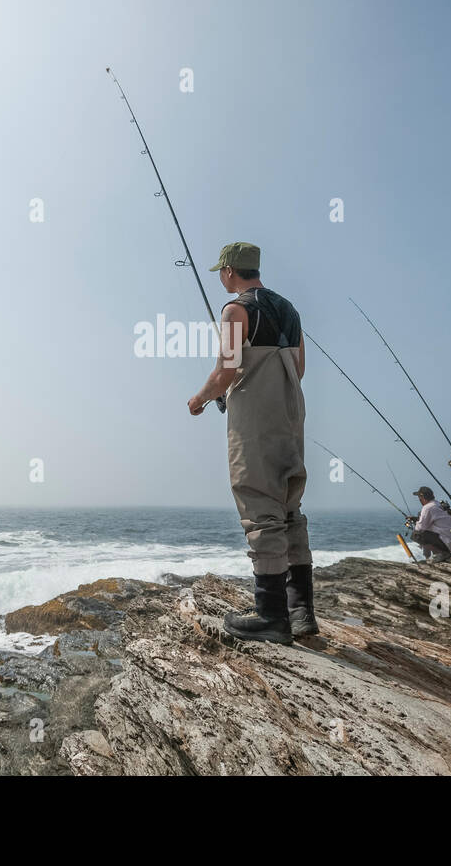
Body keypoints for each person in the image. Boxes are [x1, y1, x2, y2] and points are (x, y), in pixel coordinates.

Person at [188, 242, 312, 643]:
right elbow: (300, 368)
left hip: (255, 421)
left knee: (259, 505)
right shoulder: (290, 310)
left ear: (229, 270)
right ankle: (302, 612)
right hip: (292, 415)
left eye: (221, 272)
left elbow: (226, 369)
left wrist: (199, 399)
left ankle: (271, 616)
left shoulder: (235, 309)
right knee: (289, 505)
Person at [408, 486, 451, 561]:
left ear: (422, 497)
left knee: (416, 535)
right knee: (425, 533)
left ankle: (442, 553)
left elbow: (420, 528)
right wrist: (417, 519)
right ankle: (439, 554)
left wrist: (417, 522)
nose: (419, 499)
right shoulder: (437, 504)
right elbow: (435, 520)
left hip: (447, 541)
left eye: (419, 497)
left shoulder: (427, 507)